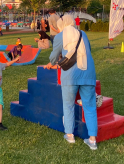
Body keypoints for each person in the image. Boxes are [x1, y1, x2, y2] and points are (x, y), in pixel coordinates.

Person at [45, 15, 98, 150]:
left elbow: (53, 57)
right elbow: (88, 50)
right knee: (90, 106)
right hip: (87, 73)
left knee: (68, 105)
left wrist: (53, 62)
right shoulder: (83, 34)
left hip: (70, 76)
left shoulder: (60, 36)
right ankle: (92, 140)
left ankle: (70, 135)